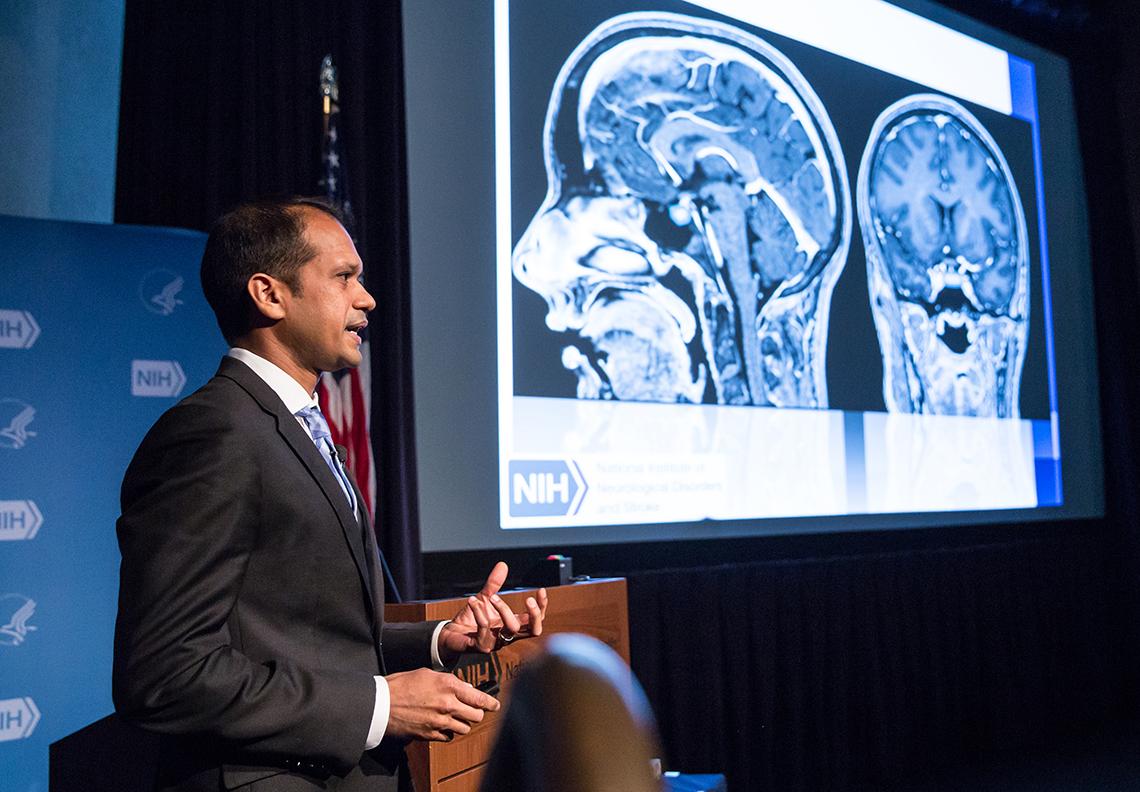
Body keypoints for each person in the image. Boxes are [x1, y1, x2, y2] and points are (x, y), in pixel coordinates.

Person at [113, 197, 548, 791]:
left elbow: (306, 637)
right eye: (344, 277)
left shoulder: (295, 425)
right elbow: (166, 674)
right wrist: (380, 707)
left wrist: (441, 640)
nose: (366, 298)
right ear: (269, 295)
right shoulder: (215, 433)